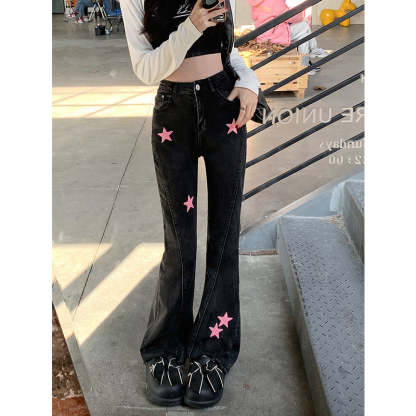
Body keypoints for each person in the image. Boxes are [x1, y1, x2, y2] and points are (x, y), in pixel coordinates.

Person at [119, 0, 260, 409]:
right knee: (180, 244)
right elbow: (145, 69)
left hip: (225, 105)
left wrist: (249, 82)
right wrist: (190, 28)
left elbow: (229, 50)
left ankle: (212, 352)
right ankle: (165, 348)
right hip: (173, 113)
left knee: (224, 239)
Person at [248, 0, 329, 73]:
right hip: (275, 36)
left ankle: (311, 53)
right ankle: (304, 64)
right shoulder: (275, 1)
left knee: (303, 29)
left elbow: (255, 16)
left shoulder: (256, 2)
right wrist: (300, 15)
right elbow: (290, 16)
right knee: (303, 27)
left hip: (263, 35)